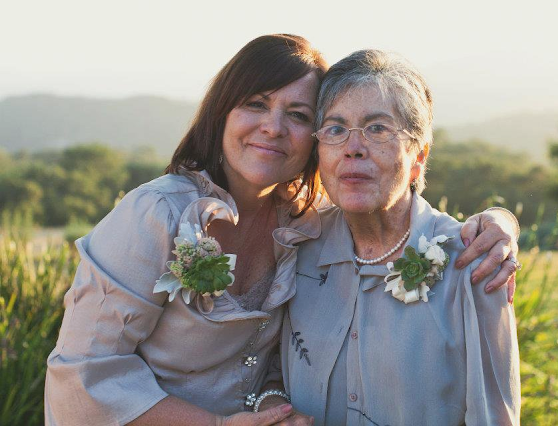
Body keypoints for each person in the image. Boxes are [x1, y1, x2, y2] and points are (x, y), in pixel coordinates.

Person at [44, 35, 519, 426]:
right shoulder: (160, 214)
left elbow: (273, 363)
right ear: (221, 113)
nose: (273, 128)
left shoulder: (305, 226)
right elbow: (82, 374)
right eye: (255, 104)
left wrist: (501, 221)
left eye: (297, 116)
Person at [278, 50, 520, 425]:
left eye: (377, 129)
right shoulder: (297, 245)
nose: (353, 148)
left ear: (418, 157)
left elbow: (494, 416)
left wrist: (504, 222)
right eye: (336, 129)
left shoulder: (473, 260)